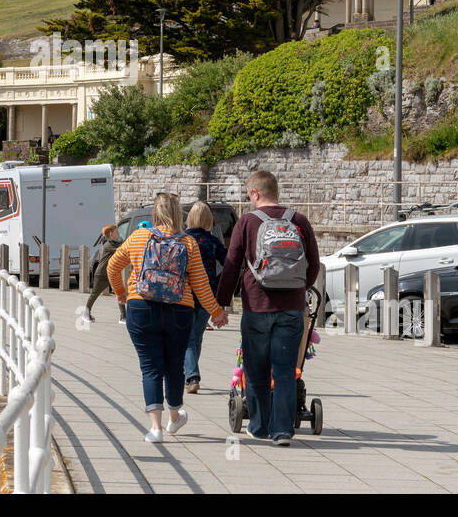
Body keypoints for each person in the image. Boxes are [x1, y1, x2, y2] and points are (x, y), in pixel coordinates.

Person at [108, 192, 228, 443]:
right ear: (177, 214)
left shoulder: (139, 236)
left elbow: (113, 267)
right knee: (174, 365)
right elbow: (201, 285)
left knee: (150, 366)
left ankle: (156, 428)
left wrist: (121, 293)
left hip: (141, 307)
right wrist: (216, 313)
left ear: (155, 212)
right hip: (179, 310)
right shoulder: (188, 243)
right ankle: (175, 417)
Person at [216, 170, 321, 447]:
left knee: (256, 369)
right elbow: (314, 263)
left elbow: (231, 266)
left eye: (248, 195)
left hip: (257, 307)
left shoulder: (248, 222)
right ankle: (283, 431)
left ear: (255, 193)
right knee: (285, 371)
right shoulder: (298, 220)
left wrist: (221, 305)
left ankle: (260, 427)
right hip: (291, 308)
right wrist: (299, 288)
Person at [183, 201, 227, 394]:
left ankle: (192, 376)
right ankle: (190, 375)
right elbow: (228, 262)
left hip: (186, 293)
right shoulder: (213, 241)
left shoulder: (183, 239)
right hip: (208, 294)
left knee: (187, 338)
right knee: (197, 336)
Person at [83, 223, 124, 322]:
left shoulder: (115, 243)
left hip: (111, 273)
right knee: (94, 294)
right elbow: (121, 250)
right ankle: (86, 314)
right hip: (101, 274)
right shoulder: (108, 245)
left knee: (120, 292)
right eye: (116, 232)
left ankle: (124, 317)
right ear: (111, 234)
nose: (118, 233)